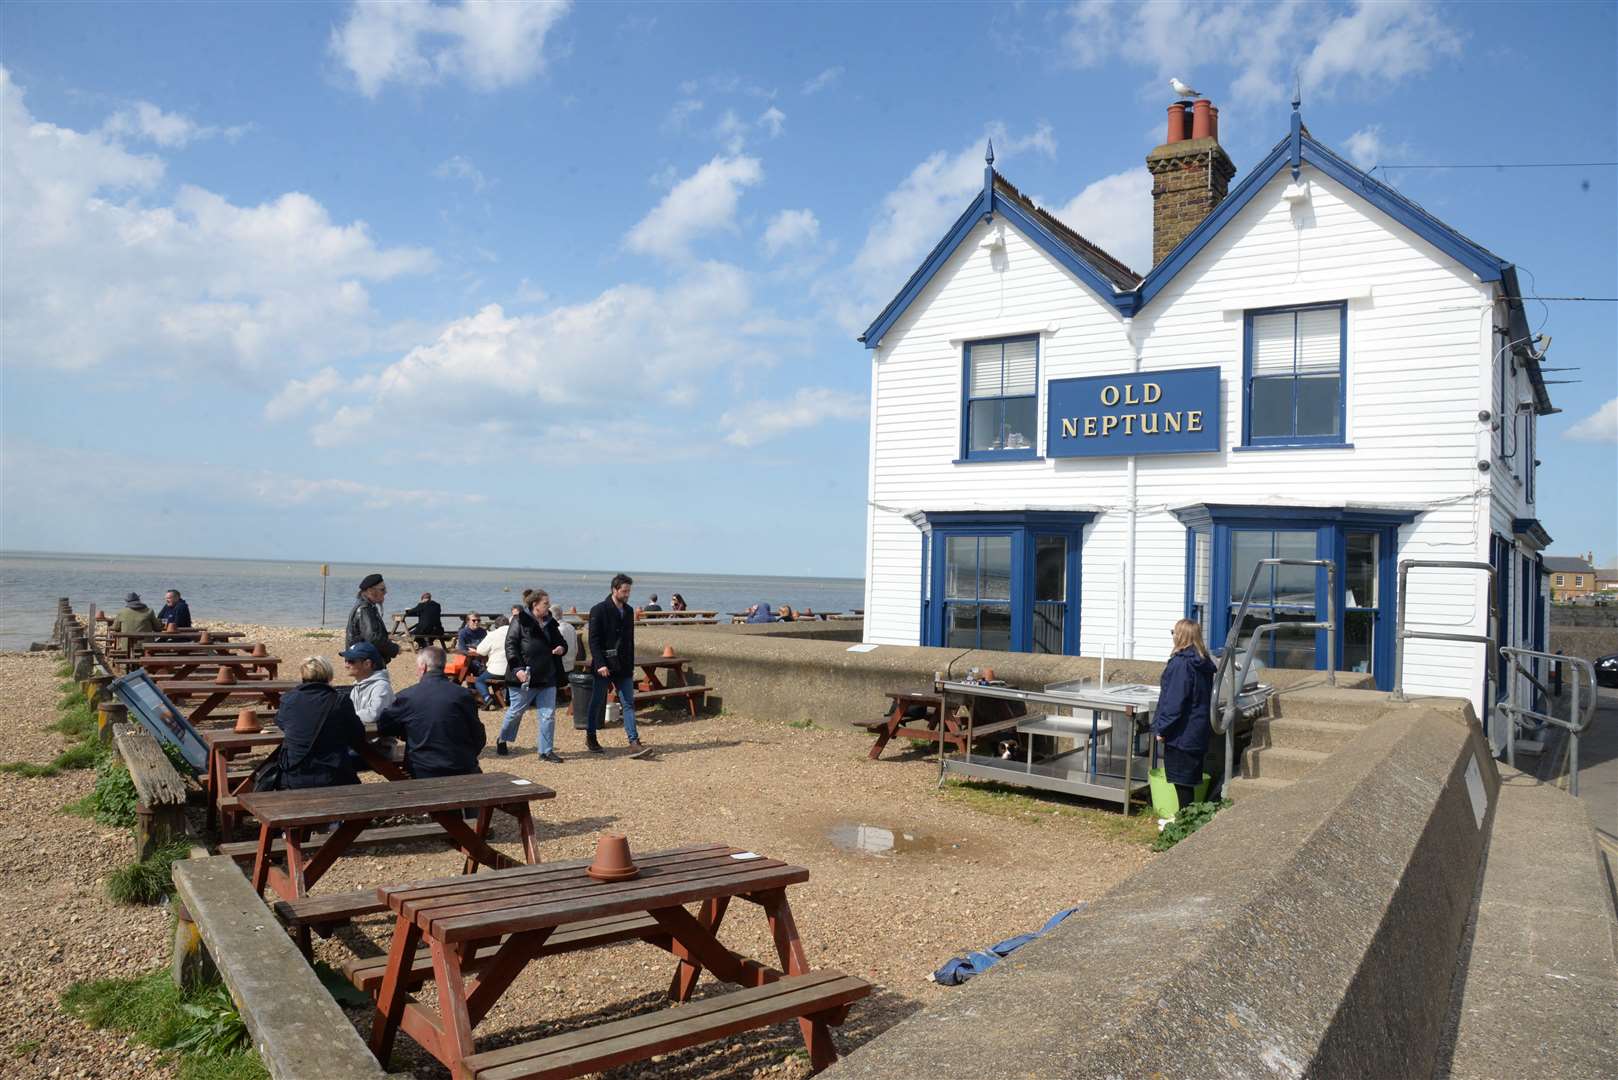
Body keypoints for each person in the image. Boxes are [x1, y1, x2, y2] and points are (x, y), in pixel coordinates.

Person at [374, 645, 485, 781]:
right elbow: (478, 735)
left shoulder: (408, 697)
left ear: (423, 667)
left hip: (424, 770)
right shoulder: (463, 694)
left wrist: (406, 731)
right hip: (462, 767)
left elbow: (383, 726)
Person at [1151, 618, 1217, 811]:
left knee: (1182, 783)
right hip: (1196, 730)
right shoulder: (1202, 662)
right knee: (1189, 781)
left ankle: (1185, 824)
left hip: (1181, 734)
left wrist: (1162, 728)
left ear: (1181, 636)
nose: (1172, 636)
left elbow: (1174, 703)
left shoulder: (1182, 664)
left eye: (1174, 632)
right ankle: (1188, 819)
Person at [274, 656, 367, 790]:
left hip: (294, 775)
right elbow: (358, 735)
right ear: (329, 676)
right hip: (334, 775)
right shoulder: (339, 701)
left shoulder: (288, 699)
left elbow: (280, 722)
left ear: (302, 675)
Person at [500, 591, 569, 760]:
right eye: (545, 603)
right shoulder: (519, 620)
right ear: (535, 605)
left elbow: (562, 642)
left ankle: (545, 751)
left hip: (548, 674)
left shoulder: (551, 622)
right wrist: (518, 669)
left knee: (548, 715)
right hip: (525, 675)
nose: (548, 606)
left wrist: (561, 648)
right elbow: (510, 645)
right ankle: (502, 739)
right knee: (516, 712)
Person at [587, 573, 646, 755]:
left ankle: (633, 740)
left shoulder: (628, 611)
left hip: (624, 666)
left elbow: (629, 640)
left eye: (629, 591)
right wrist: (600, 664)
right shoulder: (598, 610)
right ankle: (591, 736)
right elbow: (593, 640)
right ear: (614, 590)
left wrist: (630, 664)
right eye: (624, 591)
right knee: (597, 702)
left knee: (628, 703)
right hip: (603, 665)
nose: (627, 594)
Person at [346, 573, 400, 663]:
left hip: (365, 662)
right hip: (365, 663)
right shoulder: (365, 609)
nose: (385, 592)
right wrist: (394, 648)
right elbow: (372, 639)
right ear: (370, 591)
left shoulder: (368, 606)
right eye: (382, 589)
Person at [340, 641, 394, 725]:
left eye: (351, 661)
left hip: (377, 737)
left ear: (367, 664)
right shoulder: (356, 688)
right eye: (346, 660)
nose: (346, 665)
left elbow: (374, 714)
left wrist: (346, 716)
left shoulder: (381, 686)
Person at [473, 616, 511, 709]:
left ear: (496, 626)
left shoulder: (493, 634)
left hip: (496, 671)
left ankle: (487, 697)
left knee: (479, 680)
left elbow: (481, 651)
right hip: (512, 670)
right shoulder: (515, 633)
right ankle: (509, 699)